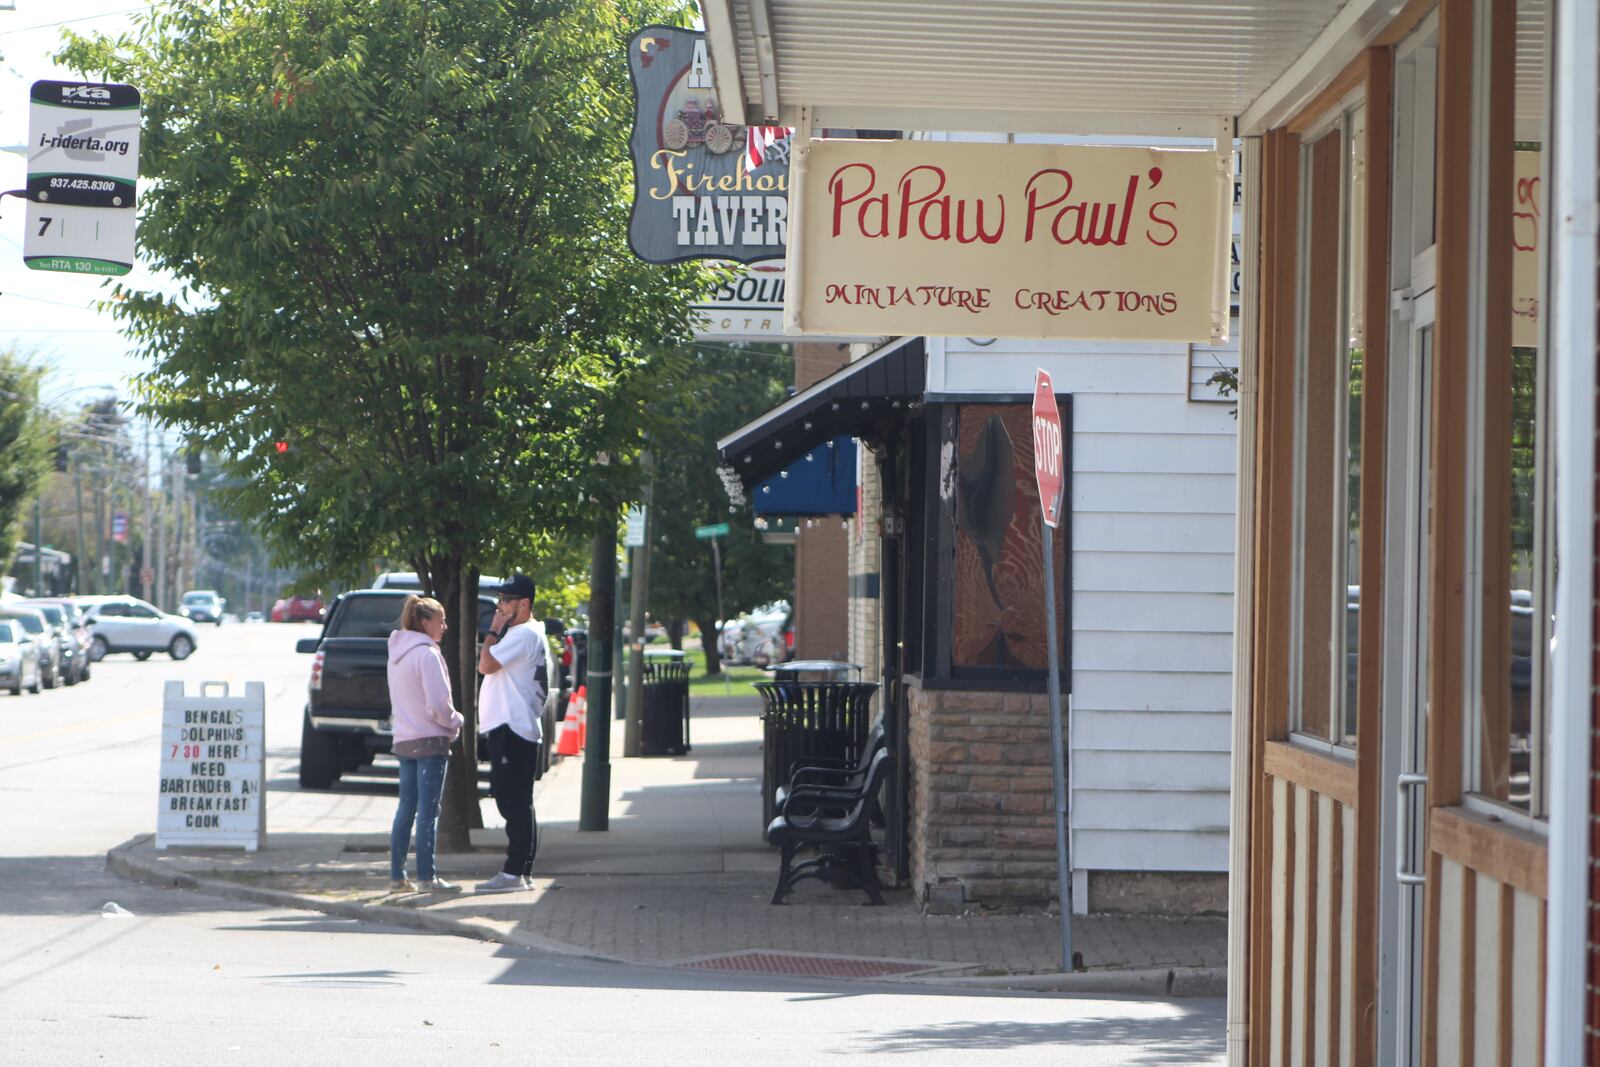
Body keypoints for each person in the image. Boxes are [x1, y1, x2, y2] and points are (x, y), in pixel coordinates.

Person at [475, 573, 548, 893]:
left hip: (513, 727)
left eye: (506, 600)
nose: (500, 606)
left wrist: (492, 631)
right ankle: (522, 870)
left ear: (524, 603)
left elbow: (486, 666)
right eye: (499, 599)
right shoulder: (524, 632)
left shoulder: (522, 634)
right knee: (516, 801)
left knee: (511, 802)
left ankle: (513, 872)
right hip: (511, 726)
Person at [386, 595, 464, 893]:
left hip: (404, 738)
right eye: (440, 620)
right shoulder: (428, 655)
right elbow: (437, 705)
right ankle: (427, 877)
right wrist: (457, 721)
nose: (444, 626)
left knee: (405, 809)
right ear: (424, 622)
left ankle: (397, 876)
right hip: (430, 740)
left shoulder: (397, 654)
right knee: (428, 812)